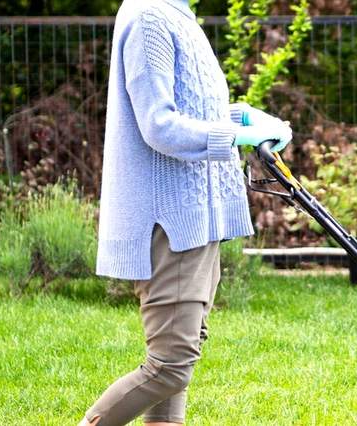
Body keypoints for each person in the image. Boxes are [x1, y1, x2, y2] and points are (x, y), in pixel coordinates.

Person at [80, 0, 291, 424]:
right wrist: (238, 134)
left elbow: (195, 112)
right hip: (170, 221)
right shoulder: (149, 18)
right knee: (171, 364)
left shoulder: (179, 17)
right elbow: (159, 124)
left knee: (181, 354)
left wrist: (244, 117)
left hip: (198, 219)